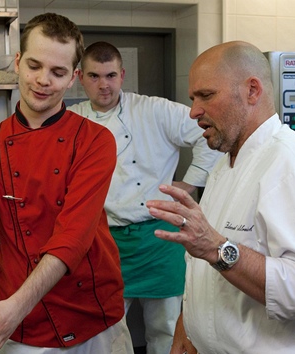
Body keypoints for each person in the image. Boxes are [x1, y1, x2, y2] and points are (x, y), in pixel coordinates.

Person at [0, 13, 133, 354]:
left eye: (58, 72)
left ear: (74, 77)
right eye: (34, 65)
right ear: (17, 63)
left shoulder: (94, 140)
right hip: (21, 325)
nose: (43, 80)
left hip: (93, 318)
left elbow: (72, 236)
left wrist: (16, 306)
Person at [145, 41, 295, 353]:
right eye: (193, 98)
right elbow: (209, 272)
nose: (194, 111)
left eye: (206, 95)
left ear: (252, 91)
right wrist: (187, 325)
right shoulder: (225, 165)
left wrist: (217, 248)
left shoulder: (294, 166)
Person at [67, 41, 221, 354]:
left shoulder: (155, 109)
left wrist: (190, 183)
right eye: (94, 76)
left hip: (159, 239)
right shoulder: (71, 120)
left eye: (110, 75)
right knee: (106, 331)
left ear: (122, 75)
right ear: (80, 77)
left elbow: (208, 134)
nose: (104, 85)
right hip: (103, 241)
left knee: (166, 329)